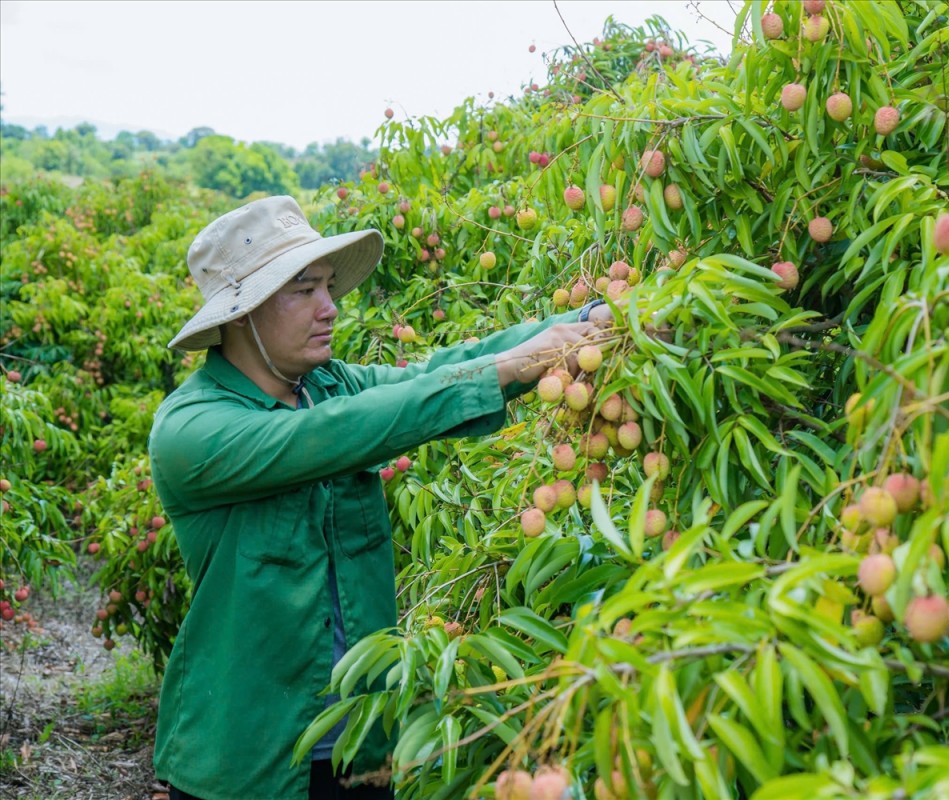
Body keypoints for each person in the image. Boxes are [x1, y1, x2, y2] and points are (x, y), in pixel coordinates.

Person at [148, 195, 612, 800]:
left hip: (362, 748)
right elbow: (339, 433)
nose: (329, 308)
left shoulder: (328, 385)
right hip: (246, 757)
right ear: (242, 314)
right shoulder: (192, 430)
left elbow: (437, 373)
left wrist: (583, 325)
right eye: (304, 290)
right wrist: (509, 366)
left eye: (327, 288)